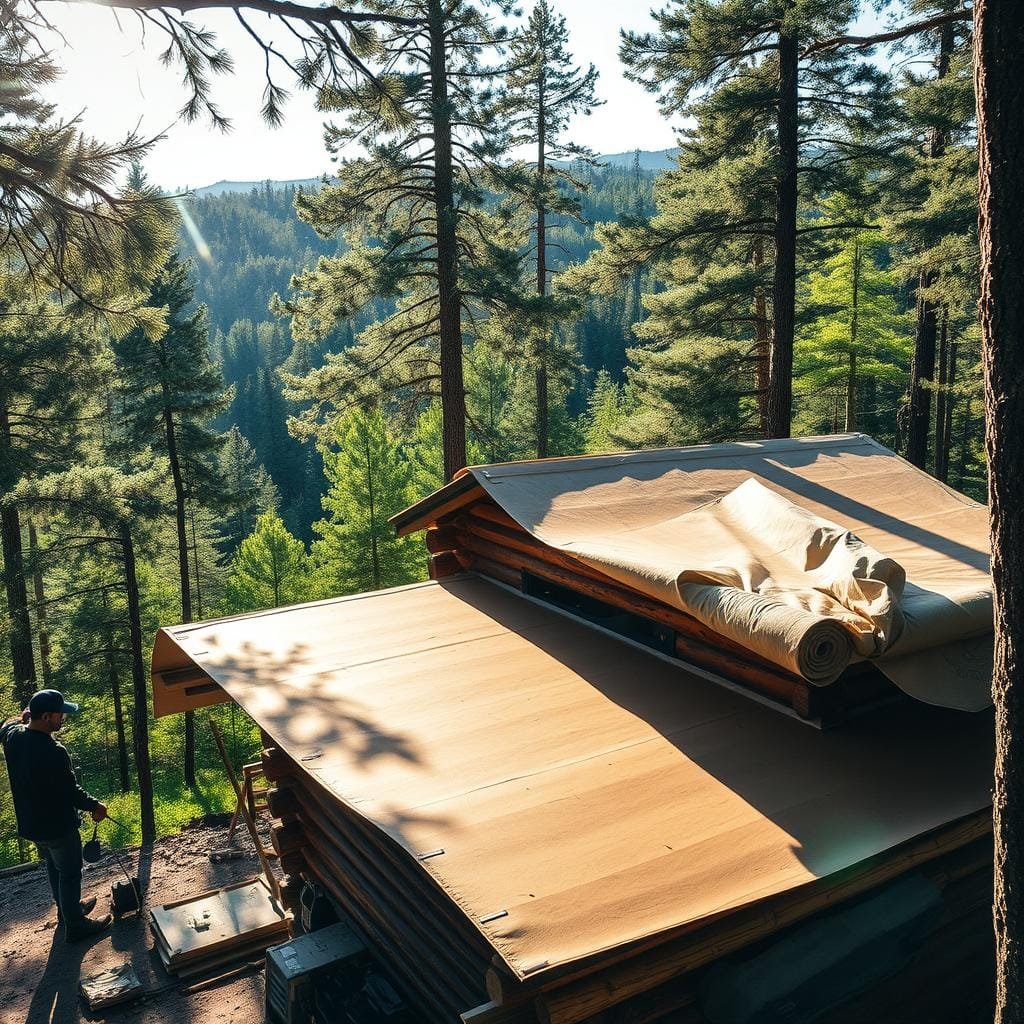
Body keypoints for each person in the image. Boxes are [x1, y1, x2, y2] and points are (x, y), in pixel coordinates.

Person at [1, 689, 113, 941]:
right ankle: (75, 925)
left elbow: (5, 726)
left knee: (55, 867)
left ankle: (67, 910)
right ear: (46, 717)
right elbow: (70, 791)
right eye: (60, 714)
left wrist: (23, 718)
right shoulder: (54, 751)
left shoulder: (13, 738)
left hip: (32, 825)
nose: (63, 719)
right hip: (57, 826)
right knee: (71, 872)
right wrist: (96, 806)